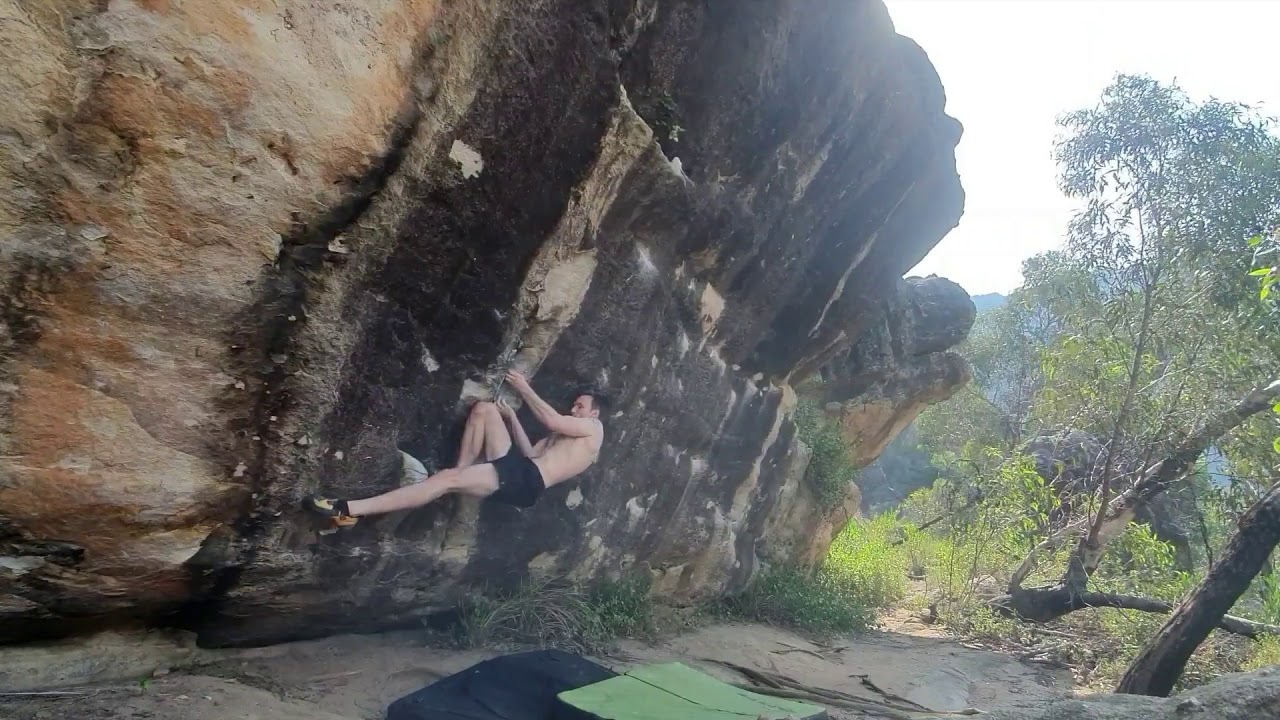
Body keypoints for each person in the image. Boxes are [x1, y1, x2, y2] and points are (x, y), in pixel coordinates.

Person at [305, 371, 606, 528]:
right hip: (523, 469)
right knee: (485, 410)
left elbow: (551, 420)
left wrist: (524, 388)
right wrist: (511, 417)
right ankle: (457, 472)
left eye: (580, 406)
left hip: (528, 482)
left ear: (594, 413)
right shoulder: (559, 438)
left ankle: (346, 510)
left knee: (445, 481)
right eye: (574, 405)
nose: (574, 409)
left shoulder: (594, 430)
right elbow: (529, 454)